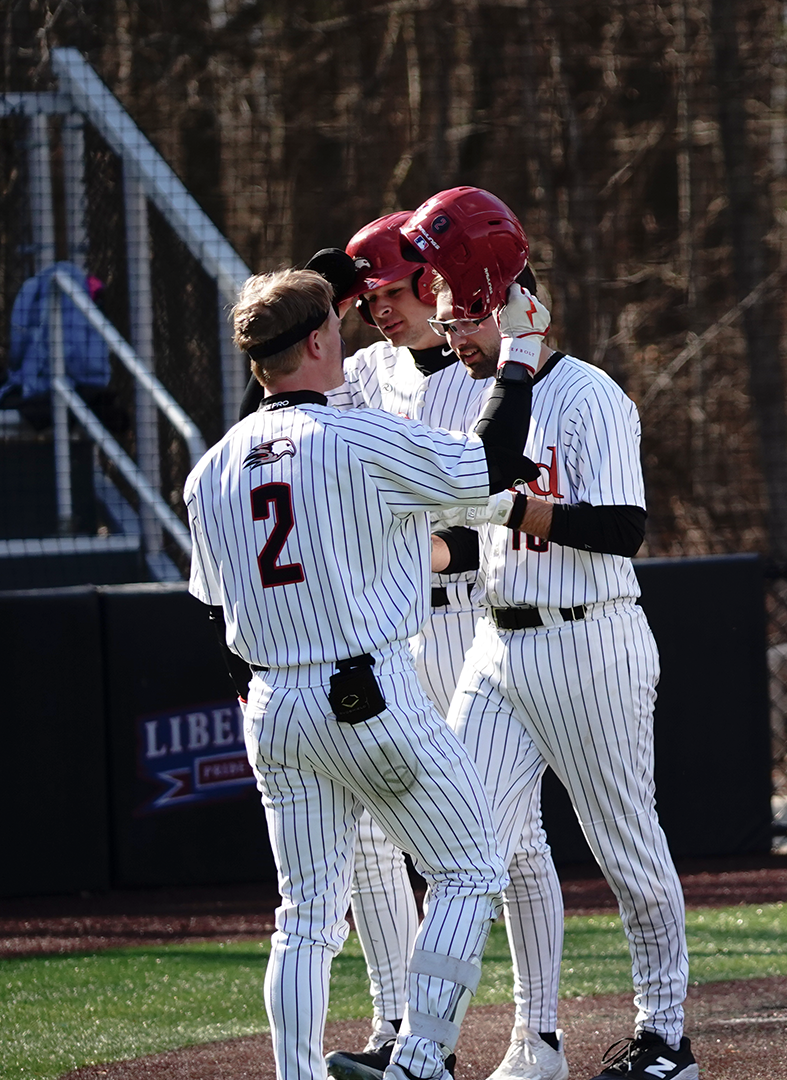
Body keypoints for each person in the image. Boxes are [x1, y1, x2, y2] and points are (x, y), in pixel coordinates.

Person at [184, 267, 539, 1080]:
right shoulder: (356, 434)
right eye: (336, 328)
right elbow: (488, 468)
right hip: (365, 693)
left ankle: (298, 1076)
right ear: (315, 342)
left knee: (305, 917)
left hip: (271, 701)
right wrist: (518, 356)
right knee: (472, 866)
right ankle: (418, 1059)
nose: (347, 338)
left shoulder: (211, 468)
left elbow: (212, 606)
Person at [404, 187, 699, 1080]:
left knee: (626, 847)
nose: (451, 335)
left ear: (516, 309)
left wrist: (511, 505)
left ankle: (666, 1035)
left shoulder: (588, 394)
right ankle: (425, 1047)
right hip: (497, 647)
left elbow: (622, 529)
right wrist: (420, 554)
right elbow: (468, 537)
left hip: (590, 637)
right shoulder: (462, 396)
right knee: (457, 844)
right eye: (449, 317)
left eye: (465, 316)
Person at [315, 214, 538, 1080]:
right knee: (375, 834)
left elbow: (500, 518)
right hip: (393, 626)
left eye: (390, 293)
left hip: (471, 617)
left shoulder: (486, 372)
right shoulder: (363, 373)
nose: (378, 312)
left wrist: (413, 540)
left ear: (436, 281)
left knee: (506, 843)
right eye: (363, 301)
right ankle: (398, 1026)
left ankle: (535, 1034)